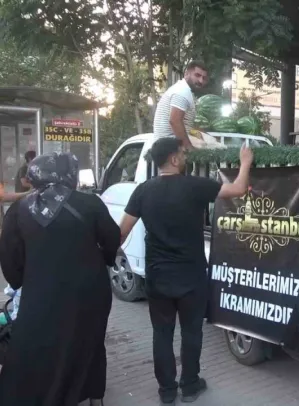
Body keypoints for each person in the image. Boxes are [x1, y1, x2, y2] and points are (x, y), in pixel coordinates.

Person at [119, 137, 254, 404]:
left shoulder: (143, 191)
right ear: (173, 159)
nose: (185, 157)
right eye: (182, 153)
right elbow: (239, 189)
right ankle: (190, 385)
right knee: (192, 332)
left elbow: (121, 232)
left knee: (162, 333)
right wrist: (245, 162)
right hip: (191, 276)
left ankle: (167, 391)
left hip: (158, 276)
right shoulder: (195, 186)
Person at [0, 152, 120, 406]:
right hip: (89, 291)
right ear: (70, 174)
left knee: (41, 342)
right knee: (89, 340)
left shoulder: (19, 210)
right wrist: (104, 260)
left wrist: (22, 280)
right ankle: (93, 394)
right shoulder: (90, 203)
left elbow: (9, 259)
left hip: (41, 293)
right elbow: (112, 239)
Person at [153, 61, 209, 150]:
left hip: (167, 144)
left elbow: (184, 123)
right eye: (197, 75)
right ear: (186, 74)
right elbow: (175, 121)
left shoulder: (182, 89)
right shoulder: (183, 91)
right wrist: (189, 148)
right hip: (169, 148)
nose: (201, 81)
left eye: (204, 78)